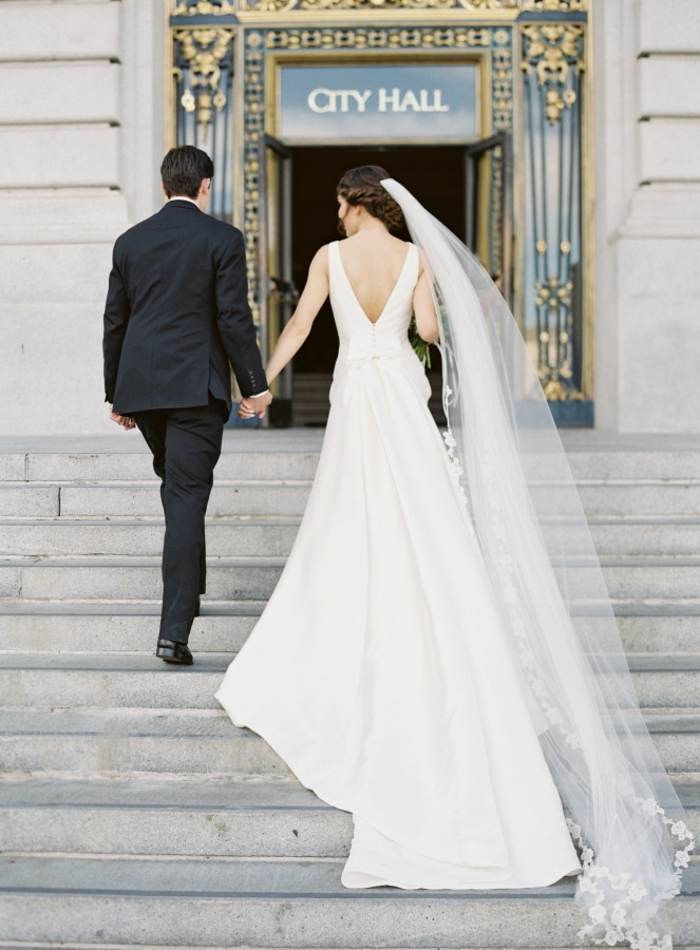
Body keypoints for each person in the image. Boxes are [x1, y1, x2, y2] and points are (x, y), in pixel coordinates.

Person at [216, 165, 693, 948]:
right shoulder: (413, 256)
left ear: (350, 203)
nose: (335, 216)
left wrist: (256, 386)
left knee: (352, 510)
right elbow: (432, 334)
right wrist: (419, 323)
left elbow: (301, 328)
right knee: (427, 514)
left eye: (337, 204)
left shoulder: (330, 262)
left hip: (357, 399)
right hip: (400, 392)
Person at [103, 145, 272, 665]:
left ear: (162, 186)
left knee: (178, 490)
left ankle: (190, 591)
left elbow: (116, 321)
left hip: (145, 393)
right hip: (195, 391)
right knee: (184, 498)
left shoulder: (129, 241)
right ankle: (173, 632)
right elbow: (233, 318)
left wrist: (117, 393)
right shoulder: (223, 238)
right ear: (205, 186)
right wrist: (255, 385)